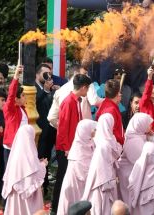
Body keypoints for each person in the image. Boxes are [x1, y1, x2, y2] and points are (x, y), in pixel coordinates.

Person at [51, 74, 92, 213]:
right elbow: (63, 128)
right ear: (83, 87)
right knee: (63, 179)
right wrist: (66, 148)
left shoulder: (76, 101)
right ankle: (56, 207)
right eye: (88, 89)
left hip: (72, 146)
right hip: (66, 148)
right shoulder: (69, 102)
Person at [2, 125, 48, 215]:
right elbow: (33, 173)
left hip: (15, 193)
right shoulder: (30, 151)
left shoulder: (15, 153)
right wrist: (43, 164)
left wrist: (38, 164)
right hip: (28, 196)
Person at [82, 113, 122, 215]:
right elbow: (117, 151)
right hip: (105, 174)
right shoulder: (102, 143)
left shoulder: (104, 139)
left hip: (108, 172)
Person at [57, 119, 97, 215]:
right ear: (85, 131)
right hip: (77, 188)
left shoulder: (88, 143)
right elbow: (83, 175)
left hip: (81, 187)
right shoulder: (78, 152)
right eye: (93, 129)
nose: (95, 132)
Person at [47, 64, 103, 128]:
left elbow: (51, 117)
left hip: (70, 133)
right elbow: (94, 101)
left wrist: (64, 127)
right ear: (76, 73)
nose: (87, 76)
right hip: (84, 132)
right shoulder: (87, 85)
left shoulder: (59, 91)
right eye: (85, 74)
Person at [117, 112, 153, 205]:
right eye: (148, 124)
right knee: (129, 204)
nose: (150, 126)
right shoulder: (134, 141)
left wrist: (150, 138)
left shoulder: (139, 136)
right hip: (129, 176)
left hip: (133, 174)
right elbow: (144, 160)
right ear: (140, 125)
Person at [128, 142, 154, 214]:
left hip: (152, 196)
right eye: (152, 155)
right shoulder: (140, 164)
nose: (153, 157)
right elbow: (133, 180)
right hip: (143, 196)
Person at [34, 63, 56, 195]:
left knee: (46, 160)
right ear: (37, 74)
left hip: (49, 132)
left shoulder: (49, 89)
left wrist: (54, 92)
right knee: (39, 159)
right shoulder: (32, 87)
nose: (48, 76)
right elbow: (34, 102)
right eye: (45, 74)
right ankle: (38, 187)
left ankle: (45, 187)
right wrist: (46, 91)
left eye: (50, 74)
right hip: (38, 131)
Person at [2, 65, 27, 170]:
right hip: (12, 147)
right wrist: (16, 76)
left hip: (22, 147)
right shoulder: (10, 109)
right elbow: (11, 94)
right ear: (16, 99)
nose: (25, 97)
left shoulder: (22, 109)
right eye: (23, 95)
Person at [96, 79, 124, 145]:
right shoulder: (111, 110)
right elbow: (111, 133)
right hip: (112, 148)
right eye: (120, 92)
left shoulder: (104, 104)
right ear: (118, 94)